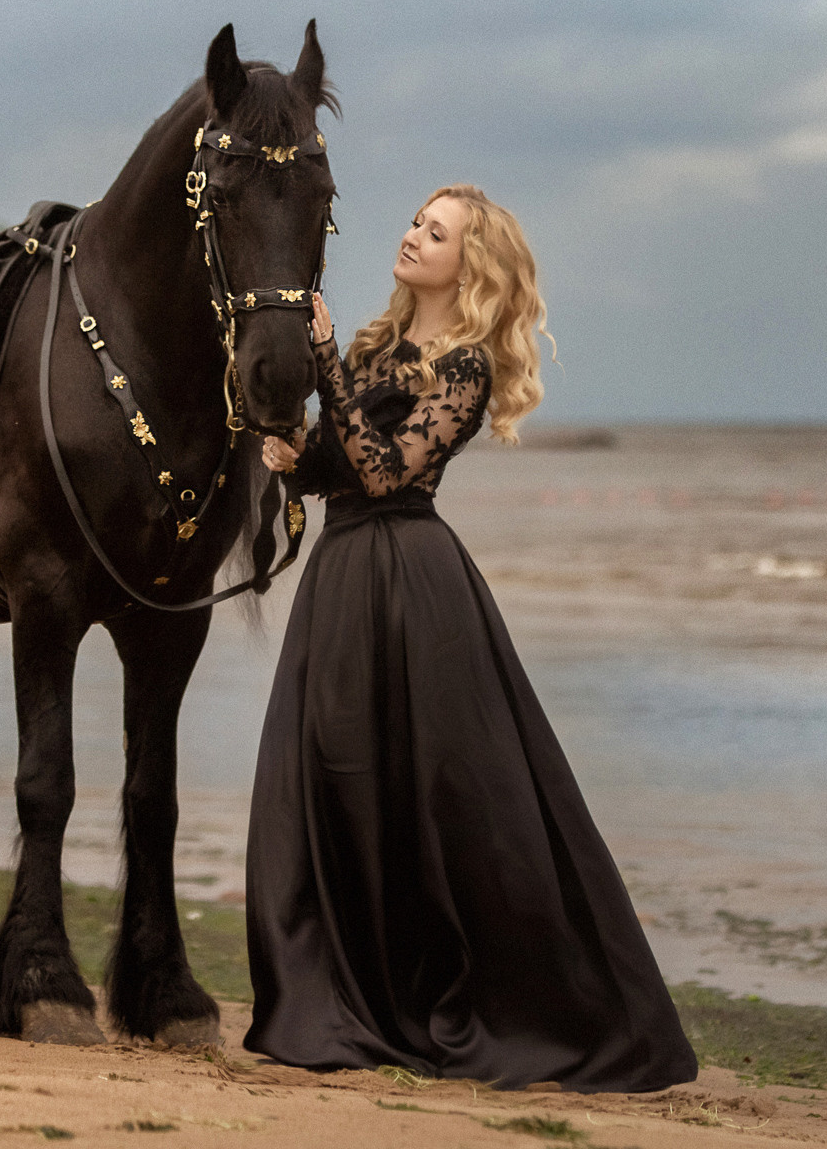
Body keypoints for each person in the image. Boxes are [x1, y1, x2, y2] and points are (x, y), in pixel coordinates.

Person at [243, 184, 698, 1092]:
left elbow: (382, 473)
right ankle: (335, 1001)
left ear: (470, 264)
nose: (413, 236)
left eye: (435, 231)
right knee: (328, 786)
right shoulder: (377, 345)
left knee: (443, 799)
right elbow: (341, 467)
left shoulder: (464, 369)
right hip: (340, 582)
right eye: (415, 221)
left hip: (413, 588)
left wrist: (326, 365)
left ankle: (500, 1003)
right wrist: (295, 462)